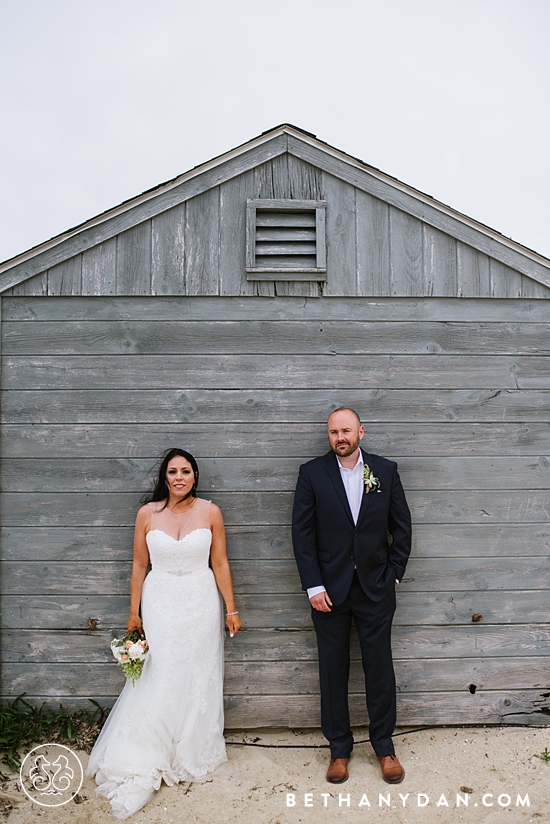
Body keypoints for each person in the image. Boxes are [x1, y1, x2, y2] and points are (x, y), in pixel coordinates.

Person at [87, 448, 242, 819]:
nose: (179, 477)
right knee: (161, 671)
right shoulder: (147, 514)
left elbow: (219, 562)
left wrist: (231, 608)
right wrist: (133, 611)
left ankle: (189, 746)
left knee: (196, 671)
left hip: (201, 600)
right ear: (164, 477)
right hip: (159, 602)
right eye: (172, 471)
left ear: (196, 475)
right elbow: (139, 564)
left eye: (185, 471)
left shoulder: (211, 511)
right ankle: (152, 746)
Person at [291, 408, 411, 785]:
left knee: (379, 667)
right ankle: (339, 750)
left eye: (345, 430)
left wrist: (392, 574)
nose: (339, 437)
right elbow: (302, 533)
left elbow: (402, 527)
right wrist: (313, 585)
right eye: (333, 432)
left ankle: (384, 746)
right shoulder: (312, 473)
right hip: (329, 591)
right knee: (333, 670)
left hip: (375, 588)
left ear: (360, 431)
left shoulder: (386, 471)